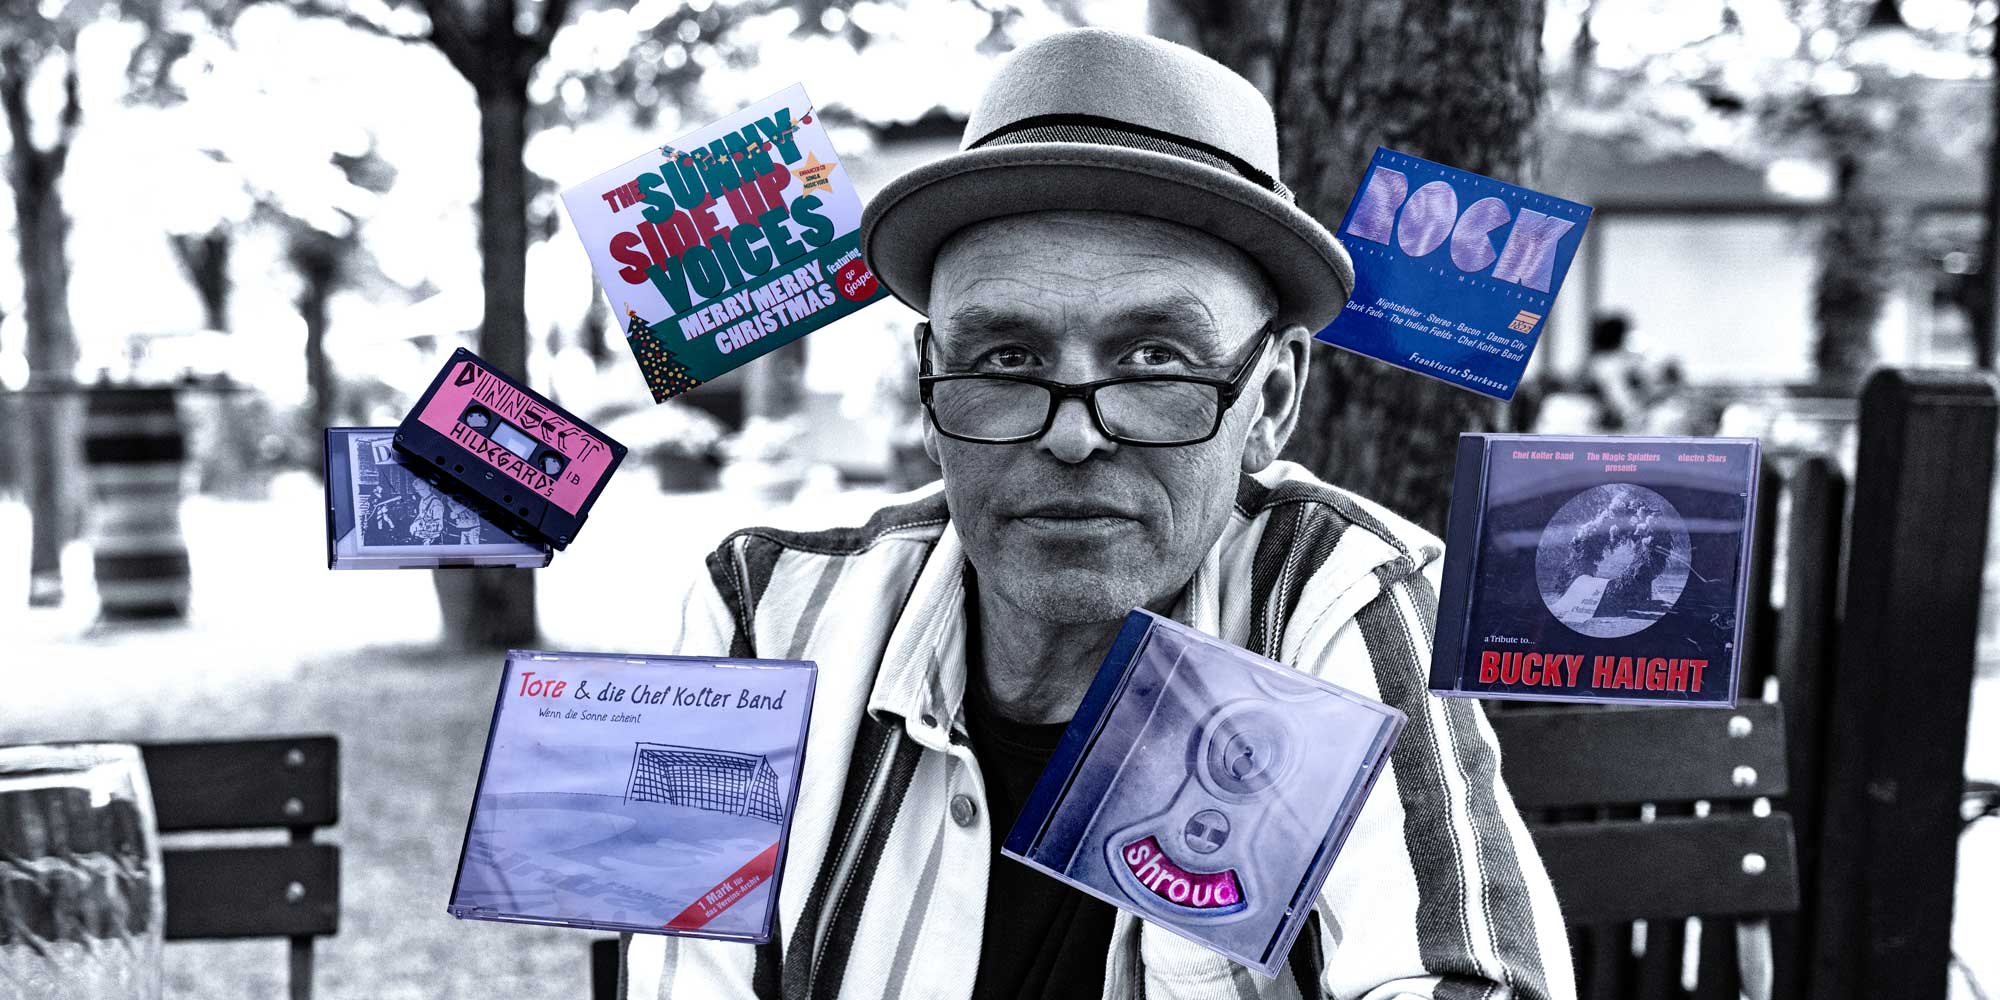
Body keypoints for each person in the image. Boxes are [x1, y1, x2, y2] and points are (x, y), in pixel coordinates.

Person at [623, 28, 1573, 1000]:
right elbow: (663, 974)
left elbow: (1465, 982)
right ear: (925, 389)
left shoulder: (1333, 593)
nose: (1074, 438)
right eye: (1005, 359)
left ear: (1272, 402)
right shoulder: (754, 610)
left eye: (1154, 358)